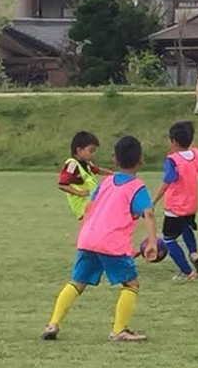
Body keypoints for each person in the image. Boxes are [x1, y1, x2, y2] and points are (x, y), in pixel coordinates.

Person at [40, 136, 157, 342]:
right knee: (132, 284)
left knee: (77, 283)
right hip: (110, 243)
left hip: (88, 238)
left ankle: (53, 324)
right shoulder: (137, 187)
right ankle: (119, 330)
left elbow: (89, 208)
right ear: (141, 160)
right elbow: (149, 213)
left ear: (115, 160)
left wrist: (86, 232)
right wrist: (152, 242)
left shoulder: (106, 182)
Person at [152, 121, 198, 281]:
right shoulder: (196, 154)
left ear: (173, 141)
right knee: (186, 228)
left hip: (175, 207)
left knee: (169, 239)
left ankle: (187, 272)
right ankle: (194, 254)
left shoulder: (172, 160)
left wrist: (153, 201)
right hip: (192, 206)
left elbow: (167, 182)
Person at [58, 131, 113, 220]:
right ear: (79, 150)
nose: (93, 154)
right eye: (91, 151)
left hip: (92, 204)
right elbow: (62, 185)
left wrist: (115, 174)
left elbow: (98, 170)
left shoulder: (86, 164)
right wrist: (79, 193)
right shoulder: (72, 164)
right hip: (84, 207)